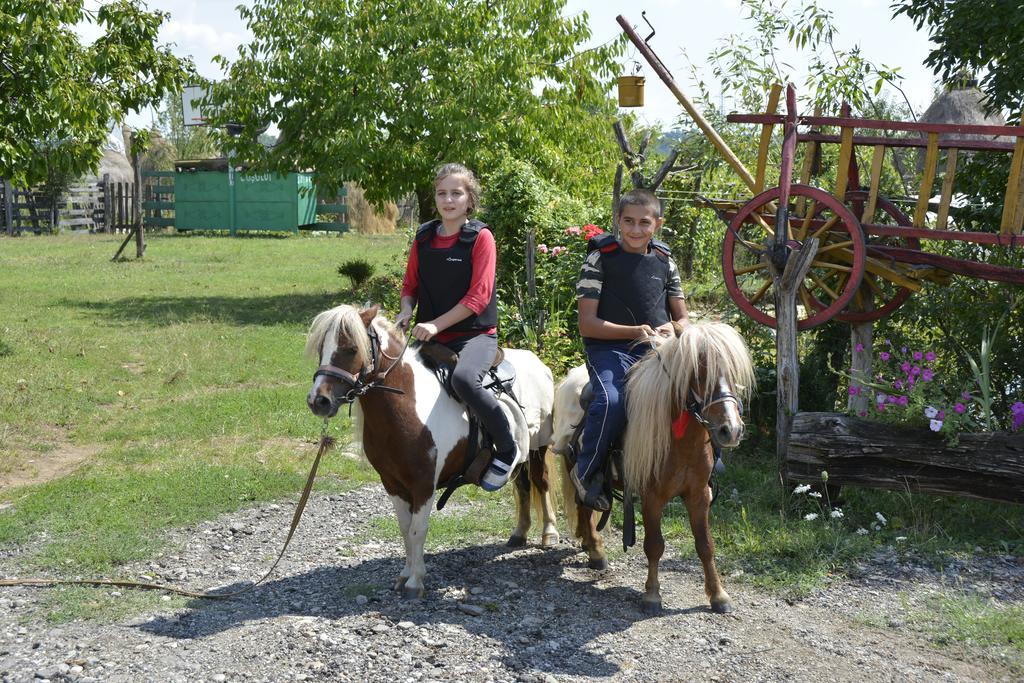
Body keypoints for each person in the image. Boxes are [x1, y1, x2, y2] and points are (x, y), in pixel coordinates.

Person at [395, 163, 521, 491]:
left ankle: (507, 449)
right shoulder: (423, 237)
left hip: (474, 337)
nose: (448, 199)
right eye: (442, 193)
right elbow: (410, 286)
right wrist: (406, 310)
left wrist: (436, 325)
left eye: (456, 193)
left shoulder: (481, 238)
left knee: (465, 380)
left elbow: (478, 297)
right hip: (430, 333)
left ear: (469, 199)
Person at [570, 188, 689, 510]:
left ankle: (706, 463)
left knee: (699, 391)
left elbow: (683, 318)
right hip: (610, 350)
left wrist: (673, 328)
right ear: (618, 221)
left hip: (656, 350)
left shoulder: (665, 261)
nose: (636, 230)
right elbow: (587, 324)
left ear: (657, 224)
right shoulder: (600, 258)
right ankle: (586, 471)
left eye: (644, 223)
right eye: (629, 222)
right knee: (612, 400)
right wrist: (634, 331)